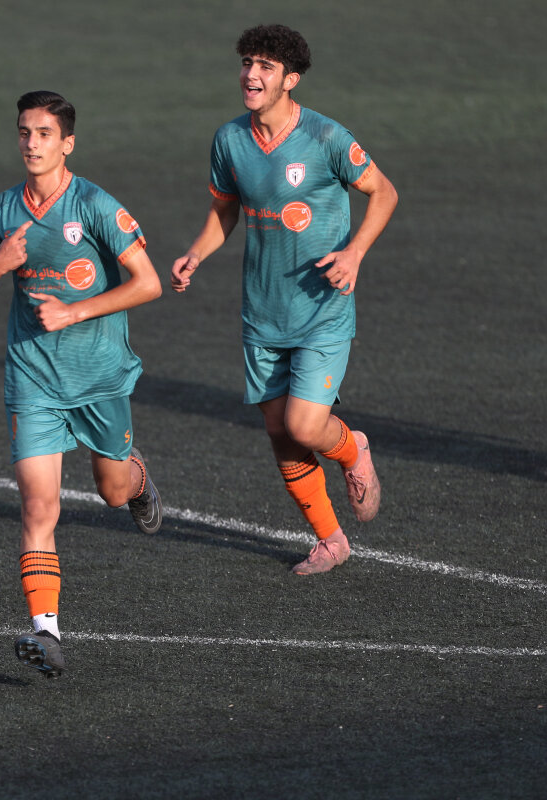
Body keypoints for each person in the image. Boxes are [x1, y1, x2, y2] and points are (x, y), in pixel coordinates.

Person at [172, 24, 398, 575]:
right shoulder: (229, 140)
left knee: (304, 425)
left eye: (265, 67)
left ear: (290, 80)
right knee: (279, 431)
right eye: (248, 63)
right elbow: (225, 209)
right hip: (262, 311)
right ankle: (330, 541)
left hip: (322, 308)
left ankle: (353, 448)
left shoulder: (326, 137)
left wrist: (354, 254)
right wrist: (196, 254)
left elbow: (384, 192)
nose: (251, 75)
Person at [0, 91, 164, 678]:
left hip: (98, 375)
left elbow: (148, 283)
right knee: (38, 506)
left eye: (44, 134)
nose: (32, 143)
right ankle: (46, 633)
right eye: (25, 132)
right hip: (32, 378)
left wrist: (75, 311)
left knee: (112, 492)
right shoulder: (1, 211)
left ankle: (138, 478)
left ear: (67, 143)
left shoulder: (95, 205)